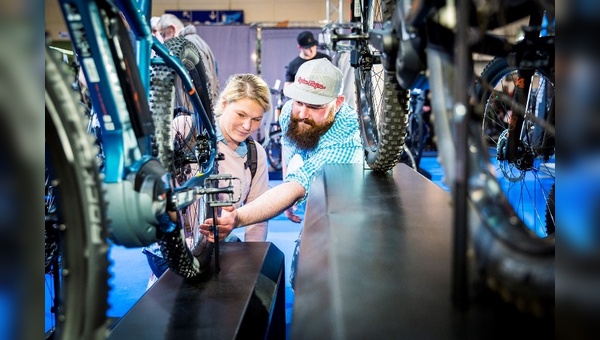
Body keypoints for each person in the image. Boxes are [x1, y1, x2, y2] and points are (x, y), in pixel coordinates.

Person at [200, 59, 363, 289]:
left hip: (345, 209)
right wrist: (287, 178)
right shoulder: (291, 111)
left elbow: (296, 187)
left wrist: (238, 218)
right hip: (309, 194)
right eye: (299, 102)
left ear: (337, 102)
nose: (303, 113)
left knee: (321, 285)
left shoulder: (348, 137)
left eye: (315, 107)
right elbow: (289, 145)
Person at [143, 73, 272, 286]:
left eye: (256, 119)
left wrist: (254, 264)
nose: (247, 126)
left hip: (222, 254)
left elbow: (258, 215)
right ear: (224, 104)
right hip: (174, 252)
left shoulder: (255, 154)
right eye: (241, 114)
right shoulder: (186, 128)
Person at [157, 13, 220, 105]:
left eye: (163, 34)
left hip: (197, 113)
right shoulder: (195, 41)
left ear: (172, 29)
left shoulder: (189, 44)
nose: (164, 40)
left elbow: (205, 79)